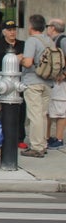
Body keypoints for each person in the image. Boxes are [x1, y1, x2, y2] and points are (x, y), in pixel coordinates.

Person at [19, 14, 55, 158]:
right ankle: (43, 144)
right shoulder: (49, 41)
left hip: (33, 81)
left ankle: (36, 146)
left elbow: (28, 63)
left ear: (32, 26)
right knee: (42, 115)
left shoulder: (32, 41)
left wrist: (20, 59)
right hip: (48, 82)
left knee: (34, 116)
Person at [0, 19, 26, 148]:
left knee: (21, 110)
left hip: (18, 82)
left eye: (14, 30)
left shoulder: (22, 44)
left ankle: (20, 137)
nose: (12, 32)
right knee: (2, 110)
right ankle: (1, 135)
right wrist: (17, 58)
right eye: (9, 30)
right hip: (2, 81)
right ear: (4, 32)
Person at [46, 19, 66, 150]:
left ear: (52, 28)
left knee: (60, 110)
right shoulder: (56, 40)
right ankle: (49, 137)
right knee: (51, 109)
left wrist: (64, 74)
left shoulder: (62, 40)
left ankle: (59, 139)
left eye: (48, 26)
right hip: (54, 80)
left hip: (61, 82)